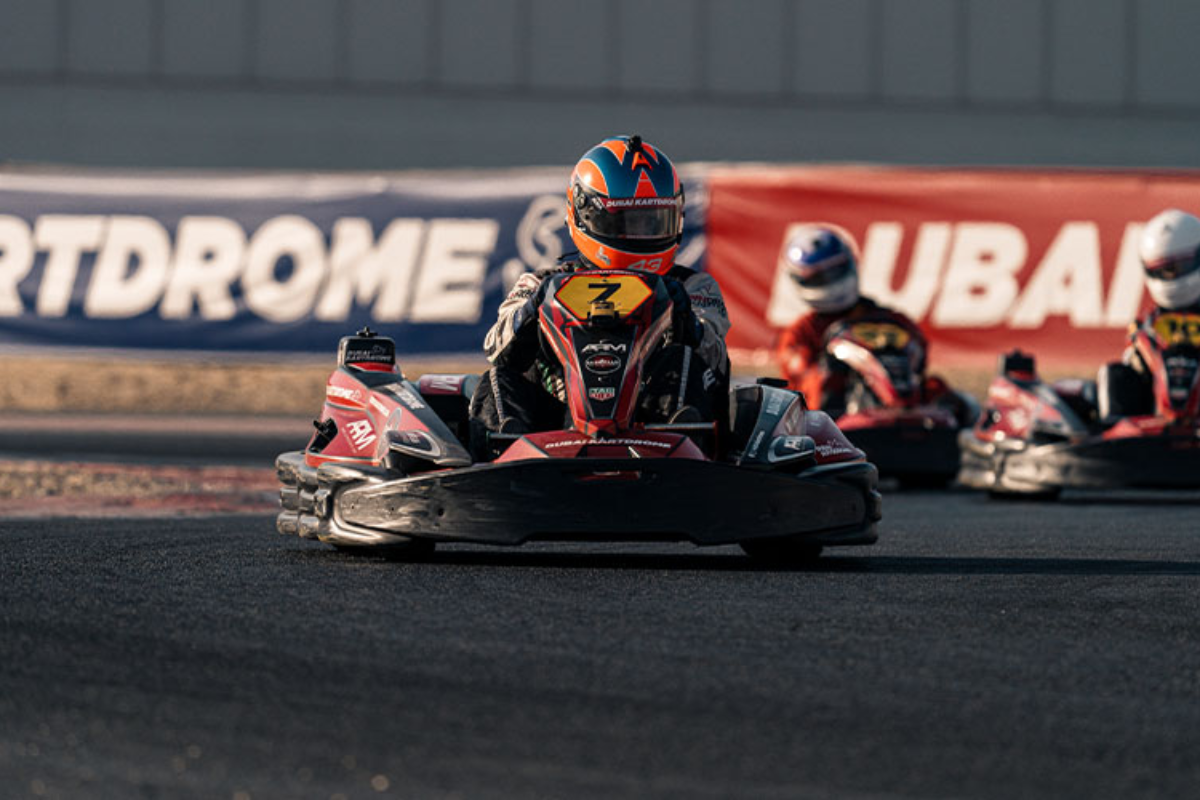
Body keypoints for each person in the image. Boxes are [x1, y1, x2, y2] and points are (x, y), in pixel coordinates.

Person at [469, 134, 731, 450]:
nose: (643, 233)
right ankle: (503, 450)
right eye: (630, 222)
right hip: (554, 424)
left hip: (651, 424)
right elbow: (497, 350)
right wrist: (532, 313)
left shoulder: (692, 287)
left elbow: (715, 359)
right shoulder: (540, 283)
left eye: (654, 222)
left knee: (684, 359)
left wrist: (684, 321)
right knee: (499, 378)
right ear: (585, 214)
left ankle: (684, 441)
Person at [774, 225, 930, 413]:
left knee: (950, 396)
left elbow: (920, 363)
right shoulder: (800, 333)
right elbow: (804, 386)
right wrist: (837, 368)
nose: (829, 280)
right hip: (834, 421)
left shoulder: (895, 322)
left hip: (905, 406)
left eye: (834, 271)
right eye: (819, 278)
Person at [1097, 208, 1200, 418]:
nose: (1170, 277)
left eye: (1177, 268)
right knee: (1114, 374)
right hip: (1151, 428)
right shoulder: (1146, 326)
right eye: (1162, 270)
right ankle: (1117, 432)